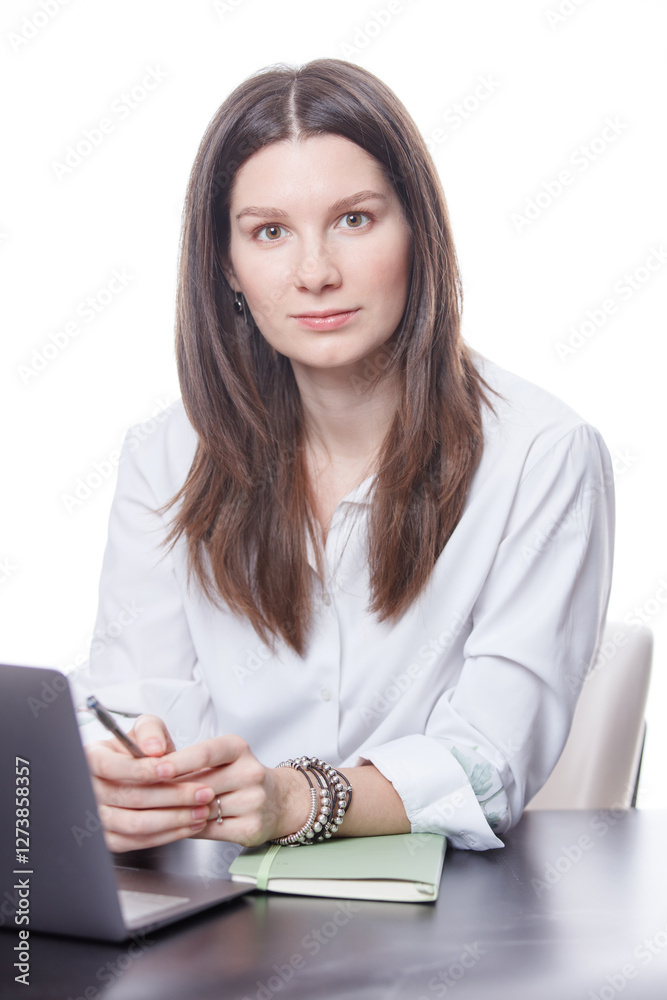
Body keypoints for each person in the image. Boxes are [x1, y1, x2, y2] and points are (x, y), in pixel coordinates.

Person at [70, 58, 614, 855]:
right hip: (213, 927)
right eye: (269, 232)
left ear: (415, 232)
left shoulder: (542, 455)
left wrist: (291, 800)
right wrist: (123, 781)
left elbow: (488, 761)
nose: (315, 273)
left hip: (447, 943)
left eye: (354, 220)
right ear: (226, 264)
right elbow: (131, 697)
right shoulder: (164, 454)